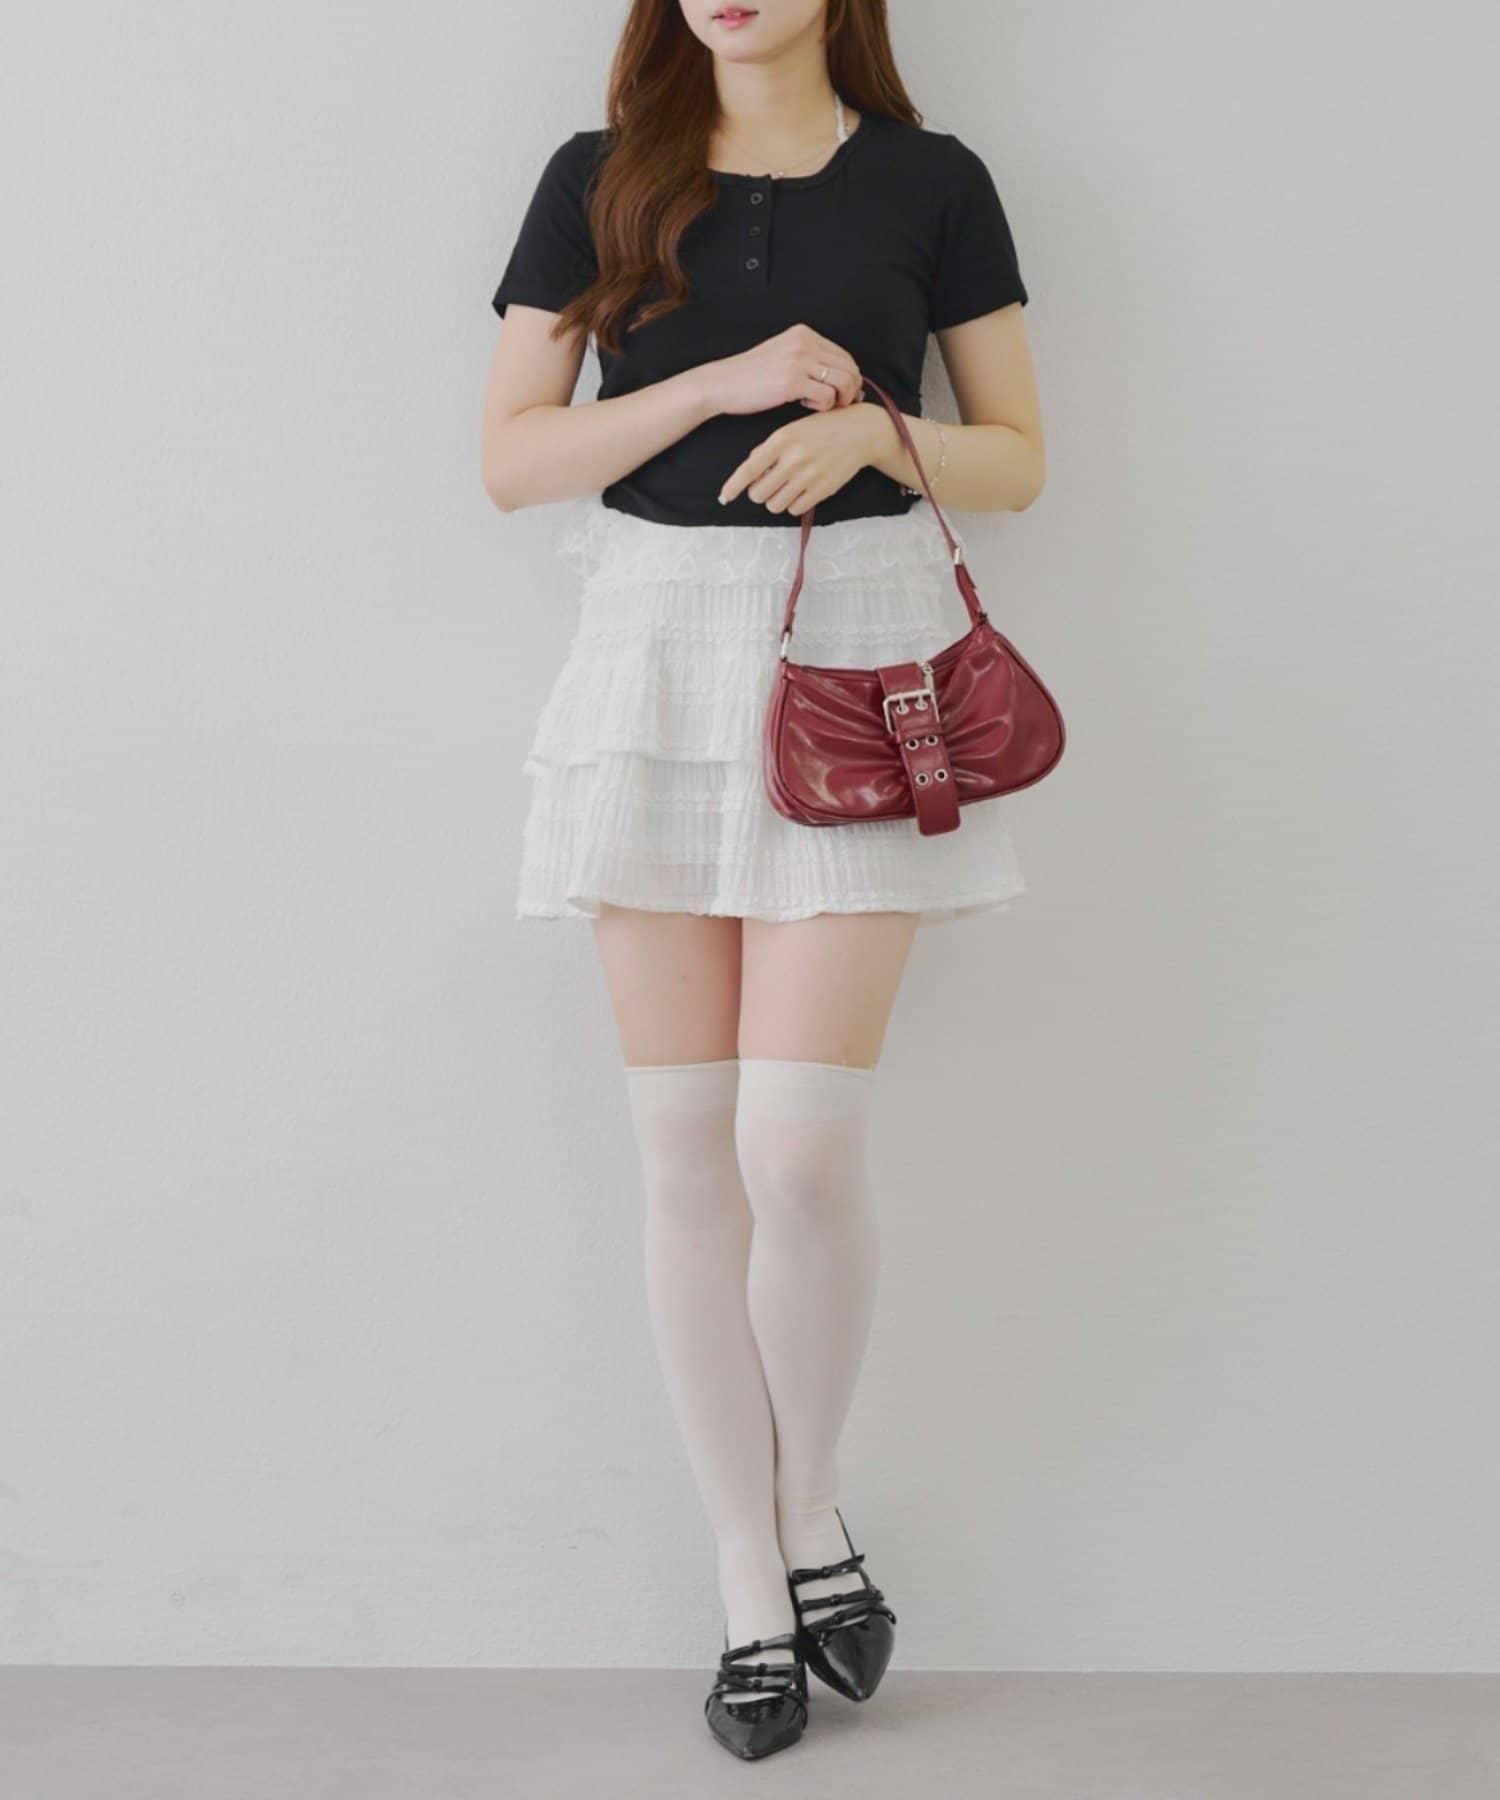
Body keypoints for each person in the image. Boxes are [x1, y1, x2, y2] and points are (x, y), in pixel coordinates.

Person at [480, 0, 1045, 1762]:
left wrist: (880, 435)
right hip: (653, 659)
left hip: (865, 656)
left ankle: (809, 1507)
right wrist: (710, 385)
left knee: (794, 1147)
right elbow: (509, 459)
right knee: (681, 1152)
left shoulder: (932, 181)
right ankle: (756, 1567)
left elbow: (1020, 458)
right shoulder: (597, 178)